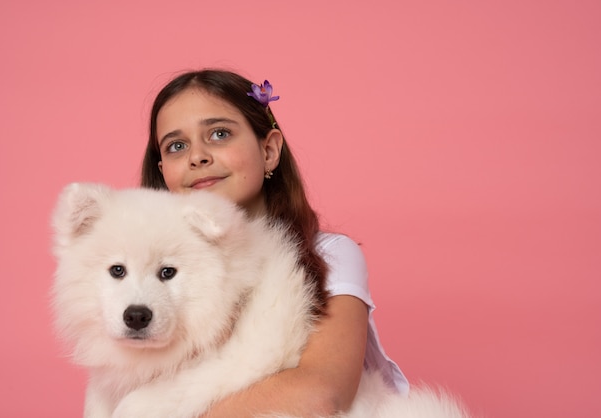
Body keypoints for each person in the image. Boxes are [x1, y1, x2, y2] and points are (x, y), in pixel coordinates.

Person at [140, 69, 408, 417]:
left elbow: (322, 394)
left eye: (219, 134)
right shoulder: (156, 269)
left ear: (268, 150)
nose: (197, 156)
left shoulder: (327, 255)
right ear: (163, 172)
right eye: (177, 146)